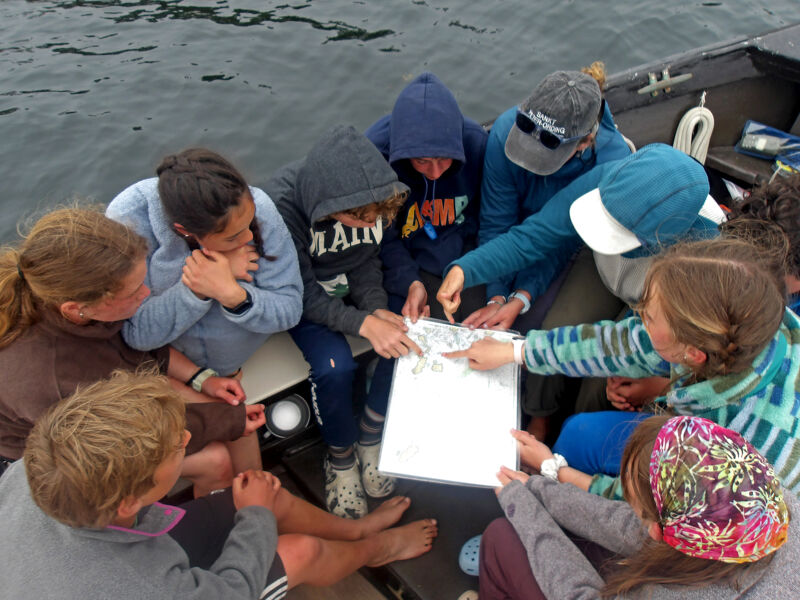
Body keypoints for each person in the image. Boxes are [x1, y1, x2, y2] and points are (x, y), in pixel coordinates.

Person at [0, 370, 438, 599]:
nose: (187, 440)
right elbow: (233, 592)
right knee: (298, 550)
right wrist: (255, 516)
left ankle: (357, 529)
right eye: (176, 449)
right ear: (129, 501)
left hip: (110, 542)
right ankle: (378, 549)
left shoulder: (42, 460)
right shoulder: (146, 589)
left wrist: (256, 509)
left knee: (262, 498)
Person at [446, 235, 800, 498]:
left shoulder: (728, 450)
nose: (637, 320)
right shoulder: (751, 317)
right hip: (688, 437)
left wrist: (553, 470)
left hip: (716, 523)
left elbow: (643, 505)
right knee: (578, 433)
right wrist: (517, 352)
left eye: (648, 317)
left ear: (694, 355)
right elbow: (617, 344)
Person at [438, 144, 726, 435]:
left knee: (610, 382)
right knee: (555, 328)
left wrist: (660, 387)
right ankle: (539, 415)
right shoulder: (613, 178)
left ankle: (573, 433)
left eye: (617, 229)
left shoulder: (706, 261)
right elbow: (534, 236)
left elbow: (631, 345)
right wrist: (465, 269)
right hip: (605, 273)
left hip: (654, 306)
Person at [0, 207, 262, 495]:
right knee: (216, 461)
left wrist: (201, 379)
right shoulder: (46, 377)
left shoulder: (80, 305)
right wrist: (226, 422)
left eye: (142, 282)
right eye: (133, 292)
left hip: (112, 387)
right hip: (74, 444)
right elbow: (130, 433)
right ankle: (235, 521)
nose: (146, 294)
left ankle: (260, 504)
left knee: (233, 412)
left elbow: (134, 345)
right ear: (76, 309)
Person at [267, 125, 419, 519]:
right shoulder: (281, 211)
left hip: (347, 288)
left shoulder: (371, 203)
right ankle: (340, 457)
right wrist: (364, 325)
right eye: (360, 217)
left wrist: (376, 309)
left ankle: (371, 435)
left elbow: (365, 259)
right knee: (335, 368)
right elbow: (299, 295)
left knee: (402, 340)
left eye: (376, 216)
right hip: (304, 297)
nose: (370, 223)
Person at [479, 415, 796, 599]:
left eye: (637, 508)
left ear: (661, 532)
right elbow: (629, 527)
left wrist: (525, 509)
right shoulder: (764, 500)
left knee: (499, 537)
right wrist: (540, 488)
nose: (627, 508)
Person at [106, 148, 303, 378]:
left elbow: (290, 309)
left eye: (250, 225)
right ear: (184, 230)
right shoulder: (129, 226)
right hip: (180, 374)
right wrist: (197, 288)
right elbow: (137, 334)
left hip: (244, 361)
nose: (249, 238)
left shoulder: (256, 204)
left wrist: (234, 295)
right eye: (232, 238)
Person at [470, 63, 631, 333]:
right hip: (510, 235)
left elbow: (561, 239)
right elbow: (496, 220)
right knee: (474, 311)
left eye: (544, 156)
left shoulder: (611, 165)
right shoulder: (505, 131)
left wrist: (523, 296)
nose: (529, 161)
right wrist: (496, 297)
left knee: (532, 327)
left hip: (563, 244)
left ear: (585, 142)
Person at [364, 71, 488, 322]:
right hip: (405, 254)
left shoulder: (476, 144)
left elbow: (487, 216)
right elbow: (382, 238)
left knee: (478, 327)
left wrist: (466, 266)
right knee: (422, 327)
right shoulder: (374, 154)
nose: (435, 173)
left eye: (444, 159)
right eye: (421, 161)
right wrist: (410, 282)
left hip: (464, 247)